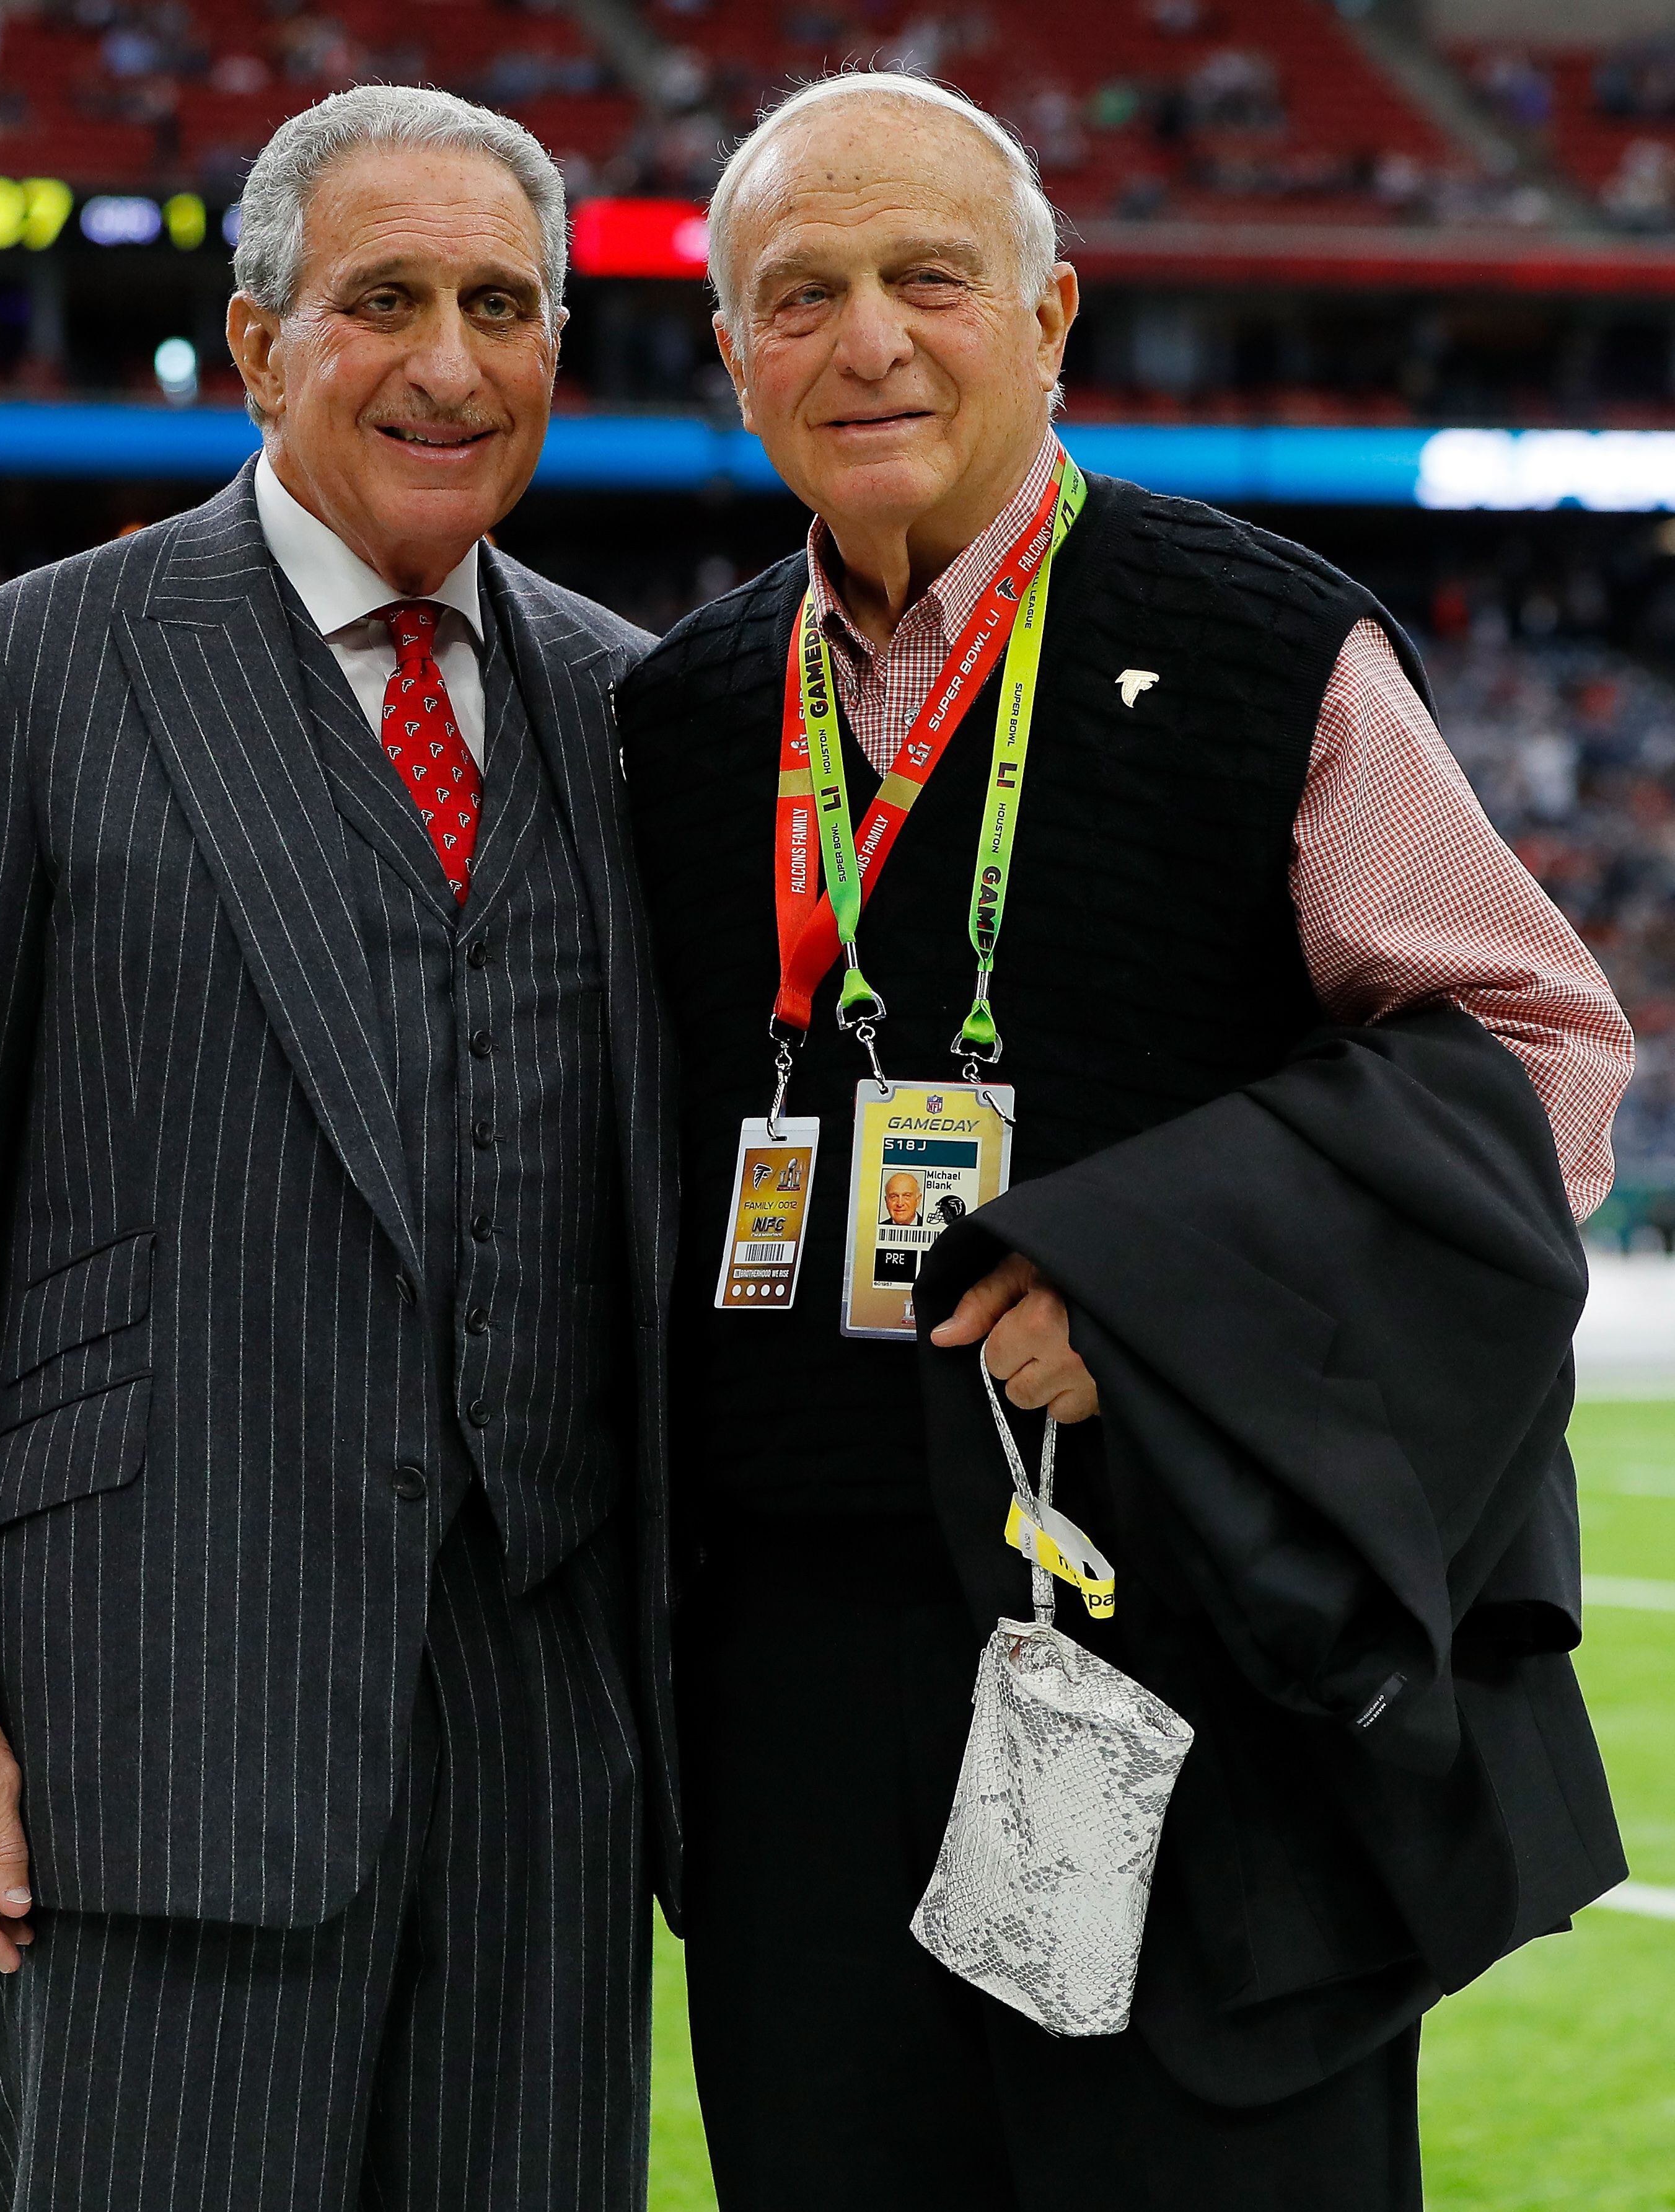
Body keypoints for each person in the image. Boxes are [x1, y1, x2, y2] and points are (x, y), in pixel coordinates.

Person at [615, 71, 1633, 2212]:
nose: (866, 338)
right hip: (787, 1689)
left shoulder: (1271, 643)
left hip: (1175, 1655)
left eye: (929, 278)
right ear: (732, 354)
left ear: (1056, 317)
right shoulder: (683, 712)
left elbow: (1543, 1061)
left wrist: (1174, 1300)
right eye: (800, 294)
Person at [0, 85, 677, 2212]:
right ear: (259, 339)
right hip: (157, 1708)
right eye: (387, 299)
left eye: (503, 304)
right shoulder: (26, 669)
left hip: (551, 1761)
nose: (452, 363)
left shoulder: (635, 704)